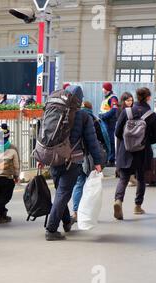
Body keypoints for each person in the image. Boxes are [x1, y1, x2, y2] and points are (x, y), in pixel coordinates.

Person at [38, 85, 103, 241]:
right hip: (72, 160)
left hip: (53, 157)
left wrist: (41, 158)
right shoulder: (84, 116)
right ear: (79, 100)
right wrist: (98, 161)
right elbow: (92, 141)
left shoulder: (52, 111)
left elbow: (43, 134)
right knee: (63, 193)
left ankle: (67, 222)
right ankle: (51, 229)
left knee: (61, 192)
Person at [113, 87, 156, 219]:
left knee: (123, 179)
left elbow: (117, 133)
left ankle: (118, 201)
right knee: (141, 179)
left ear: (136, 97)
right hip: (143, 153)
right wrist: (143, 141)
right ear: (148, 98)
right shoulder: (152, 115)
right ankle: (137, 206)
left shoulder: (126, 112)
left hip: (126, 151)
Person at [71, 101, 110, 222]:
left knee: (79, 183)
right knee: (92, 186)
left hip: (78, 156)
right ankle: (89, 212)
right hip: (93, 157)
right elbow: (103, 139)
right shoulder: (95, 120)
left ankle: (76, 212)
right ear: (91, 108)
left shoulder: (74, 118)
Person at [99, 82, 119, 167]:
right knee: (106, 140)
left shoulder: (113, 98)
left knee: (110, 140)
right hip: (105, 121)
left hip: (109, 122)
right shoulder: (107, 98)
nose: (102, 89)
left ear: (107, 89)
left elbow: (114, 109)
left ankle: (111, 159)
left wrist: (104, 116)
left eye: (103, 88)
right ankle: (108, 158)